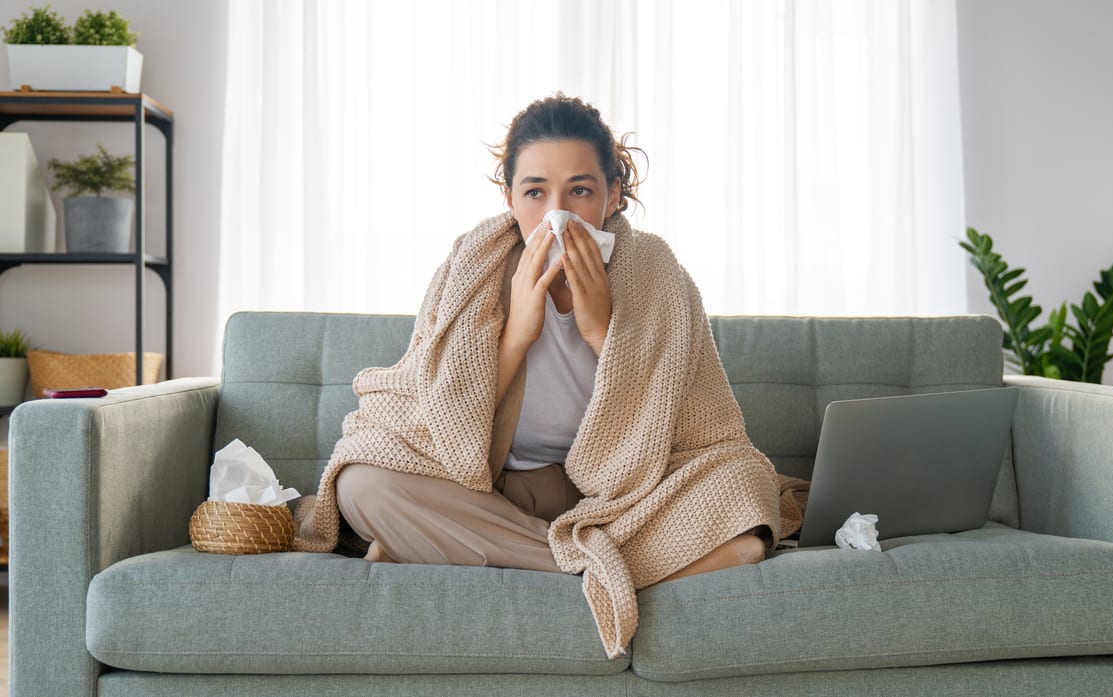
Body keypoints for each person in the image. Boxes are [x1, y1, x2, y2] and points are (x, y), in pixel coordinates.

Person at [293, 94, 799, 658]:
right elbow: (433, 416)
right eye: (536, 192)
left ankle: (477, 554)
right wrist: (516, 335)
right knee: (363, 484)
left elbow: (700, 427)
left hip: (624, 497)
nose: (558, 213)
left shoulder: (655, 270)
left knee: (746, 485)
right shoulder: (472, 263)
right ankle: (612, 568)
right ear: (510, 199)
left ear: (612, 195)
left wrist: (604, 331)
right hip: (498, 491)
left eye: (579, 191)